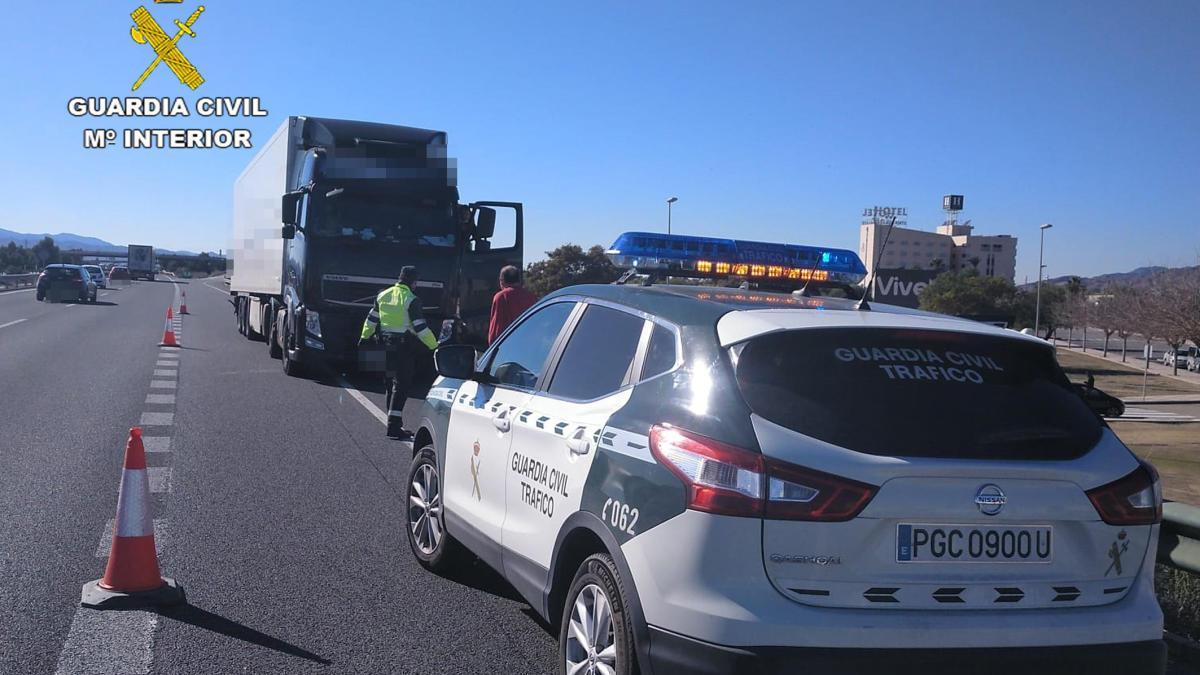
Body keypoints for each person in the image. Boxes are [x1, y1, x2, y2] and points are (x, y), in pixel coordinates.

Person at [359, 266, 438, 440]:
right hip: (403, 346)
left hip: (383, 343)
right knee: (401, 385)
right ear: (414, 282)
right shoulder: (411, 299)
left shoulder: (383, 295)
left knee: (389, 383)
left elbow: (371, 319)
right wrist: (435, 346)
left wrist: (364, 337)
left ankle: (392, 422)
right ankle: (394, 427)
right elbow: (420, 328)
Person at [487, 265, 536, 345]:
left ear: (502, 281)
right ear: (519, 280)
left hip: (509, 348)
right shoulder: (530, 296)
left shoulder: (501, 297)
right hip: (529, 346)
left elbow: (496, 329)